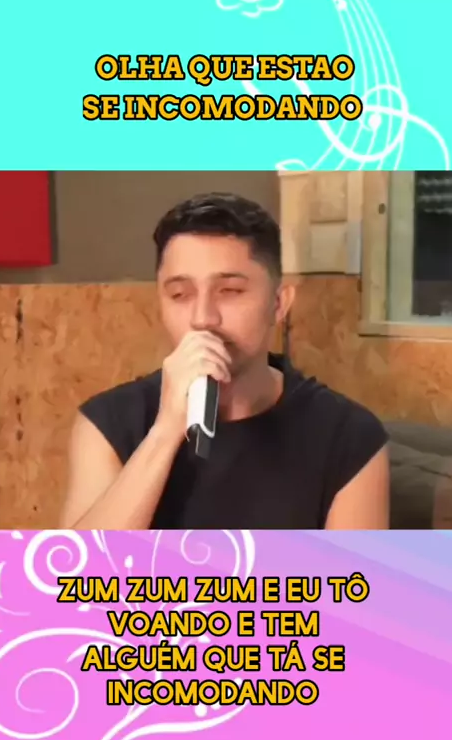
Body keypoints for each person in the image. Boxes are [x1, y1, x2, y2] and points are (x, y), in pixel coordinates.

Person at [61, 192, 390, 530]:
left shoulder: (349, 437)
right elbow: (81, 564)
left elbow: (351, 567)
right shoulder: (108, 423)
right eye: (180, 295)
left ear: (278, 304)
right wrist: (165, 431)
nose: (203, 318)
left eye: (229, 291)